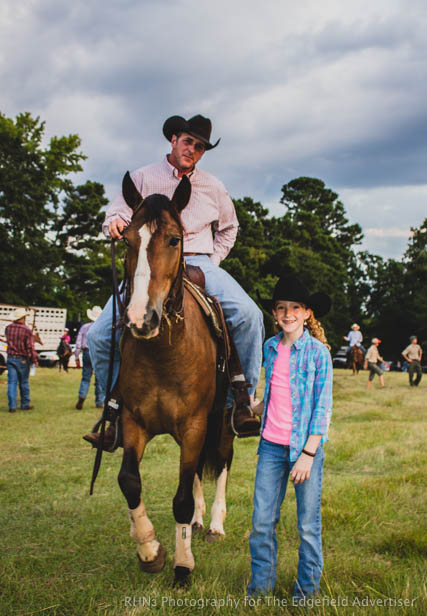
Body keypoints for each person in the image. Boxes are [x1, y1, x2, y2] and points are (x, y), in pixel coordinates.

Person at [85, 114, 264, 449]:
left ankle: (240, 402)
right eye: (188, 142)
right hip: (148, 264)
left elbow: (230, 227)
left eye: (199, 147)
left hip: (197, 261)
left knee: (249, 315)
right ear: (173, 140)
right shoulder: (143, 177)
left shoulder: (213, 186)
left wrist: (213, 259)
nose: (192, 150)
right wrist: (114, 223)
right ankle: (116, 410)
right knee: (98, 336)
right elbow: (116, 213)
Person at [247, 275, 332, 600]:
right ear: (274, 312)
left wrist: (308, 455)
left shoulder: (317, 353)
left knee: (308, 526)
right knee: (262, 522)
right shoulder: (270, 347)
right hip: (270, 447)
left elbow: (321, 408)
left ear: (307, 313)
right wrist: (253, 407)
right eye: (281, 307)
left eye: (295, 307)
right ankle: (260, 590)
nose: (287, 313)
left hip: (303, 449)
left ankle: (306, 592)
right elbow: (277, 393)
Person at [5, 307, 38, 412]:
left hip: (10, 357)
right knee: (23, 382)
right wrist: (34, 360)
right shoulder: (26, 330)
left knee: (12, 382)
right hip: (22, 358)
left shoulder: (8, 328)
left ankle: (12, 406)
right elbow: (30, 347)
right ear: (23, 318)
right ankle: (24, 404)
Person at [75, 306, 105, 409]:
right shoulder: (102, 327)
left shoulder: (84, 327)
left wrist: (76, 356)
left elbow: (78, 342)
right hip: (98, 352)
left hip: (86, 352)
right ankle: (100, 401)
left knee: (86, 378)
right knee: (99, 379)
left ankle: (82, 395)